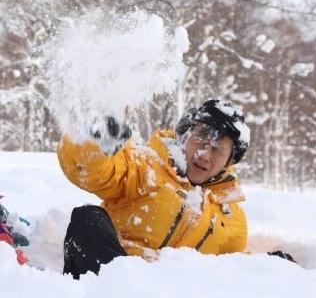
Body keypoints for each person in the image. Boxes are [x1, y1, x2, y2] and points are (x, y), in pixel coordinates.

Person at [58, 99, 251, 279]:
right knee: (88, 218)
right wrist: (96, 142)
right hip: (115, 277)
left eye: (217, 149)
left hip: (171, 291)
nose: (204, 154)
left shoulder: (233, 219)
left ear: (229, 161)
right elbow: (88, 171)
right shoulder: (145, 166)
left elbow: (234, 273)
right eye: (201, 138)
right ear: (186, 134)